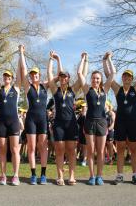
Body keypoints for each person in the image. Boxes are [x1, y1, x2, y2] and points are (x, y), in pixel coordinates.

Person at [108, 49, 136, 185]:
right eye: (124, 76)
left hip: (133, 123)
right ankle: (119, 175)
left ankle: (135, 175)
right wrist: (108, 59)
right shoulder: (118, 89)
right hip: (120, 123)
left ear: (131, 79)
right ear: (122, 78)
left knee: (134, 149)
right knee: (120, 149)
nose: (126, 78)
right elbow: (109, 75)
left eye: (129, 77)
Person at [19, 45, 55, 185]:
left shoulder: (45, 86)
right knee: (32, 147)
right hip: (31, 120)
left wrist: (52, 59)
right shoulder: (28, 87)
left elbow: (55, 76)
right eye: (32, 74)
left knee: (43, 146)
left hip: (43, 120)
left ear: (40, 76)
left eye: (36, 74)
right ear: (30, 76)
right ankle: (33, 174)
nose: (34, 76)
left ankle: (43, 175)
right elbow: (22, 70)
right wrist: (22, 53)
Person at [48, 51, 84, 186]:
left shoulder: (72, 90)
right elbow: (50, 76)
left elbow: (81, 78)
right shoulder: (55, 90)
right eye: (61, 77)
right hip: (58, 124)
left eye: (65, 77)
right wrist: (53, 60)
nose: (63, 79)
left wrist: (83, 60)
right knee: (59, 150)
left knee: (71, 151)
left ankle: (72, 176)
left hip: (71, 124)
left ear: (68, 79)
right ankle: (60, 176)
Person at [78, 52, 115, 185]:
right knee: (91, 150)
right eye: (94, 78)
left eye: (98, 78)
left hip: (102, 122)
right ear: (91, 79)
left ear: (101, 80)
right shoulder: (87, 90)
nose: (96, 80)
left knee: (100, 151)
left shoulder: (105, 89)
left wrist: (108, 59)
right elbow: (80, 74)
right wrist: (83, 59)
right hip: (89, 122)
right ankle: (92, 176)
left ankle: (100, 176)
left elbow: (112, 74)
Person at [0, 46, 22, 186]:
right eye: (5, 76)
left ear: (12, 78)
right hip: (1, 123)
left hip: (14, 122)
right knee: (2, 150)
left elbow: (20, 73)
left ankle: (15, 175)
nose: (6, 78)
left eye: (9, 77)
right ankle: (3, 175)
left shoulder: (16, 89)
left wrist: (21, 54)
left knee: (14, 149)